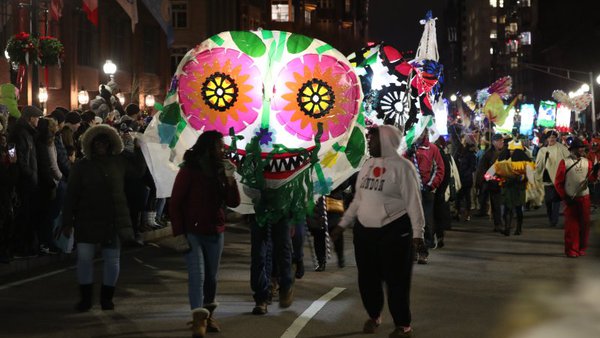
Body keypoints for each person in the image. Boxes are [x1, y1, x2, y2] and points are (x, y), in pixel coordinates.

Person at [332, 125, 425, 338]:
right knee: (367, 279)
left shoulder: (403, 167)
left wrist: (418, 233)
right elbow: (358, 199)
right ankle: (374, 315)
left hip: (394, 232)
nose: (369, 143)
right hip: (365, 233)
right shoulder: (367, 165)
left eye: (372, 139)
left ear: (385, 141)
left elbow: (413, 203)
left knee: (397, 282)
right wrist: (343, 224)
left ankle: (403, 325)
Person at [61, 124, 144, 312]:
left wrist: (139, 150)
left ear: (110, 143)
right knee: (84, 258)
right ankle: (86, 299)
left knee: (112, 259)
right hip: (87, 217)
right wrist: (67, 221)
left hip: (112, 217)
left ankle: (107, 298)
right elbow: (71, 194)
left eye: (104, 141)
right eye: (97, 141)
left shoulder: (119, 161)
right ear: (90, 143)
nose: (100, 145)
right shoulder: (82, 165)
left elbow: (138, 172)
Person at [169, 130, 240, 337]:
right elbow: (175, 203)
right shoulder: (189, 170)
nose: (223, 150)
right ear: (209, 147)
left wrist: (230, 179)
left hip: (215, 230)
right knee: (197, 275)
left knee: (211, 277)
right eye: (219, 146)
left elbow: (233, 202)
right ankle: (198, 319)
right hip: (193, 231)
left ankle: (208, 316)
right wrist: (178, 232)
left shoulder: (221, 170)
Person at [404, 130, 444, 263]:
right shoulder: (407, 148)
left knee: (425, 221)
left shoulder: (432, 149)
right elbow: (400, 166)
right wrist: (406, 155)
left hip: (426, 191)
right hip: (410, 191)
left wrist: (431, 185)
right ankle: (412, 250)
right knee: (410, 222)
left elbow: (440, 169)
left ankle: (423, 250)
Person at [554, 137, 599, 257]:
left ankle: (581, 248)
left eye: (582, 148)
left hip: (584, 198)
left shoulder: (587, 162)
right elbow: (558, 182)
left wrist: (595, 172)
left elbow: (591, 179)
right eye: (579, 148)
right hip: (571, 199)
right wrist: (565, 196)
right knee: (571, 226)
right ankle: (572, 250)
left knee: (585, 224)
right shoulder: (565, 162)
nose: (581, 150)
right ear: (572, 149)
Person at [9, 106, 42, 257]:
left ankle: (25, 246)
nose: (38, 121)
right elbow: (15, 153)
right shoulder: (20, 133)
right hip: (24, 180)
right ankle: (20, 247)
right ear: (30, 118)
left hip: (28, 178)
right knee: (24, 214)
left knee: (27, 214)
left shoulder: (26, 133)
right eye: (36, 118)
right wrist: (27, 172)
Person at [535, 129, 570, 227]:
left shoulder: (561, 148)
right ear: (547, 139)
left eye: (553, 137)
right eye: (550, 137)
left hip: (558, 178)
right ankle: (551, 217)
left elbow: (568, 159)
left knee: (556, 200)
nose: (551, 139)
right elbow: (538, 164)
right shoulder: (542, 150)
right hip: (547, 179)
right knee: (548, 200)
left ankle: (554, 220)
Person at [475, 133, 505, 232]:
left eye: (502, 140)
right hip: (494, 184)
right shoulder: (488, 154)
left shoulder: (506, 152)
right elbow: (482, 169)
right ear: (493, 142)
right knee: (496, 205)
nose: (501, 142)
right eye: (499, 140)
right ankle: (498, 224)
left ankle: (507, 223)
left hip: (506, 183)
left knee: (506, 205)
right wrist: (482, 181)